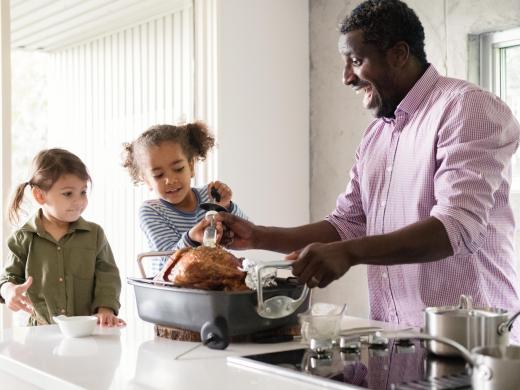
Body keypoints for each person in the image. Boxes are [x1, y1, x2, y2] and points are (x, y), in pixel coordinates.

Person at [219, 0, 520, 337]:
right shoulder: (377, 134)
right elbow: (347, 224)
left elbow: (455, 228)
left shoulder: (467, 108)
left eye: (356, 61)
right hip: (395, 339)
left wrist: (349, 253)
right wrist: (259, 236)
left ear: (398, 54)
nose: (346, 77)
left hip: (475, 343)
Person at [0, 148, 125, 327]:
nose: (79, 201)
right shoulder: (24, 238)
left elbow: (108, 276)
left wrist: (105, 309)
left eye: (83, 192)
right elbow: (7, 278)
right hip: (41, 335)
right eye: (68, 193)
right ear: (39, 195)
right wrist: (9, 291)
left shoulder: (95, 234)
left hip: (87, 332)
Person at [122, 122, 247, 274]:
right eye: (158, 175)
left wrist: (226, 207)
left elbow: (247, 232)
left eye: (178, 169)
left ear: (191, 166)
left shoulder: (210, 197)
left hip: (212, 285)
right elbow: (167, 263)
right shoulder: (151, 211)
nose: (170, 180)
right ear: (146, 180)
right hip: (172, 291)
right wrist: (191, 238)